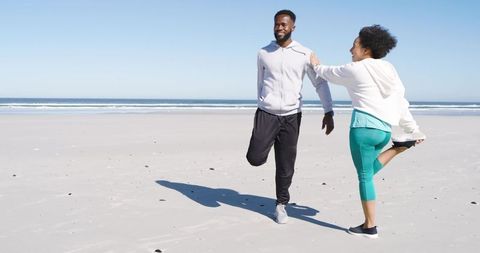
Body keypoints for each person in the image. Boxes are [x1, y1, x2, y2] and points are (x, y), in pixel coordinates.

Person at [310, 25, 426, 238]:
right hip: (383, 131)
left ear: (366, 49)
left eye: (354, 45)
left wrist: (315, 65)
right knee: (369, 171)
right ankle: (398, 148)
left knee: (365, 176)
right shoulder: (390, 69)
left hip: (363, 127)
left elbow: (329, 73)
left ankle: (369, 226)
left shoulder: (356, 68)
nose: (350, 49)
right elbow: (400, 102)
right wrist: (413, 129)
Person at [246, 9, 335, 224]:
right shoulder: (263, 53)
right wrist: (264, 102)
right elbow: (260, 81)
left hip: (291, 116)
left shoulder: (304, 53)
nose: (279, 28)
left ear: (293, 27)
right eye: (276, 24)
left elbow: (319, 83)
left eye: (284, 25)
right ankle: (266, 145)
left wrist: (328, 111)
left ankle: (281, 204)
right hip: (266, 114)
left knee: (285, 164)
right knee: (255, 158)